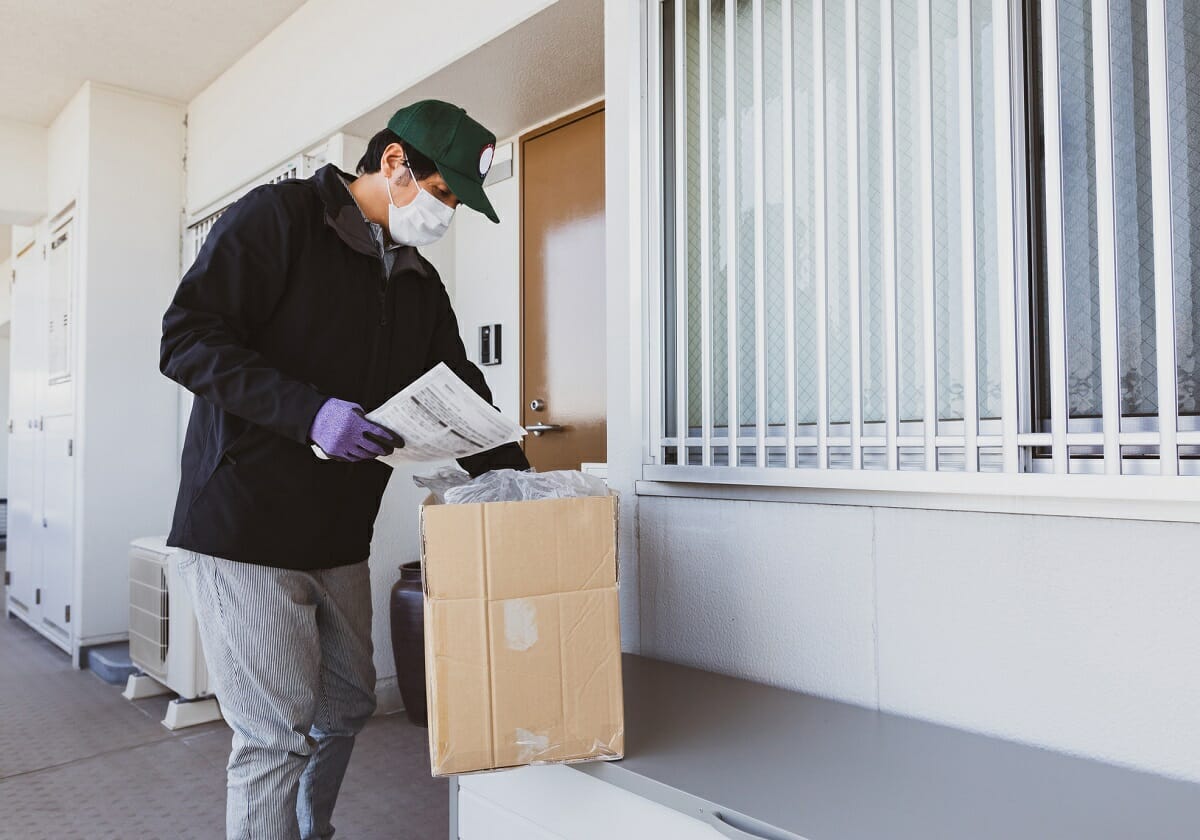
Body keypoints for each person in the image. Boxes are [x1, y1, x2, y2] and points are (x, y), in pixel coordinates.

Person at [159, 99, 529, 840]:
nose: (444, 213)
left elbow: (461, 394)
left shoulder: (416, 277)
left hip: (337, 531)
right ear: (394, 163)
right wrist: (307, 413)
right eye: (444, 193)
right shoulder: (279, 219)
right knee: (273, 733)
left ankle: (307, 830)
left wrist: (525, 485)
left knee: (346, 703)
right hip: (245, 523)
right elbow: (187, 339)